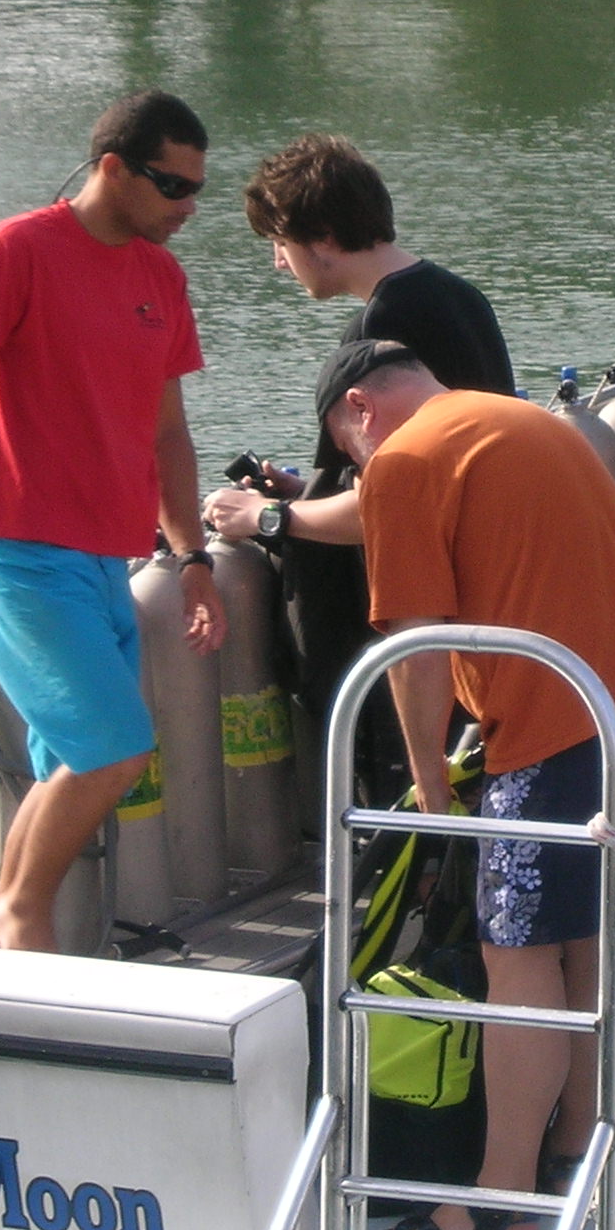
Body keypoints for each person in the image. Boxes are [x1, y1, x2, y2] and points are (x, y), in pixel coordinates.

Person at [324, 340, 615, 1230]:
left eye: (348, 454)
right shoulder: (523, 421)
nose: (357, 471)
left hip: (560, 723)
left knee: (520, 960)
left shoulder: (406, 457)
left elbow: (414, 646)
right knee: (593, 938)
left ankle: (495, 1204)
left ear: (360, 411)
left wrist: (425, 783)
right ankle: (580, 1145)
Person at [0, 90, 228, 954]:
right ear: (112, 168)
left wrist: (193, 558)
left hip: (108, 564)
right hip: (19, 559)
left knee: (70, 769)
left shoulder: (162, 278)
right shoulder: (18, 249)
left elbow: (170, 434)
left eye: (197, 188)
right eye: (170, 186)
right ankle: (17, 917)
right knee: (114, 751)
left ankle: (4, 964)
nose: (187, 207)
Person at [201, 134, 513, 798]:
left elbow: (390, 507)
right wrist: (307, 488)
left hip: (432, 612)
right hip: (489, 586)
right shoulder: (458, 296)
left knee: (419, 793)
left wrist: (267, 516)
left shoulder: (380, 331)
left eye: (278, 245)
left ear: (318, 237)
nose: (279, 266)